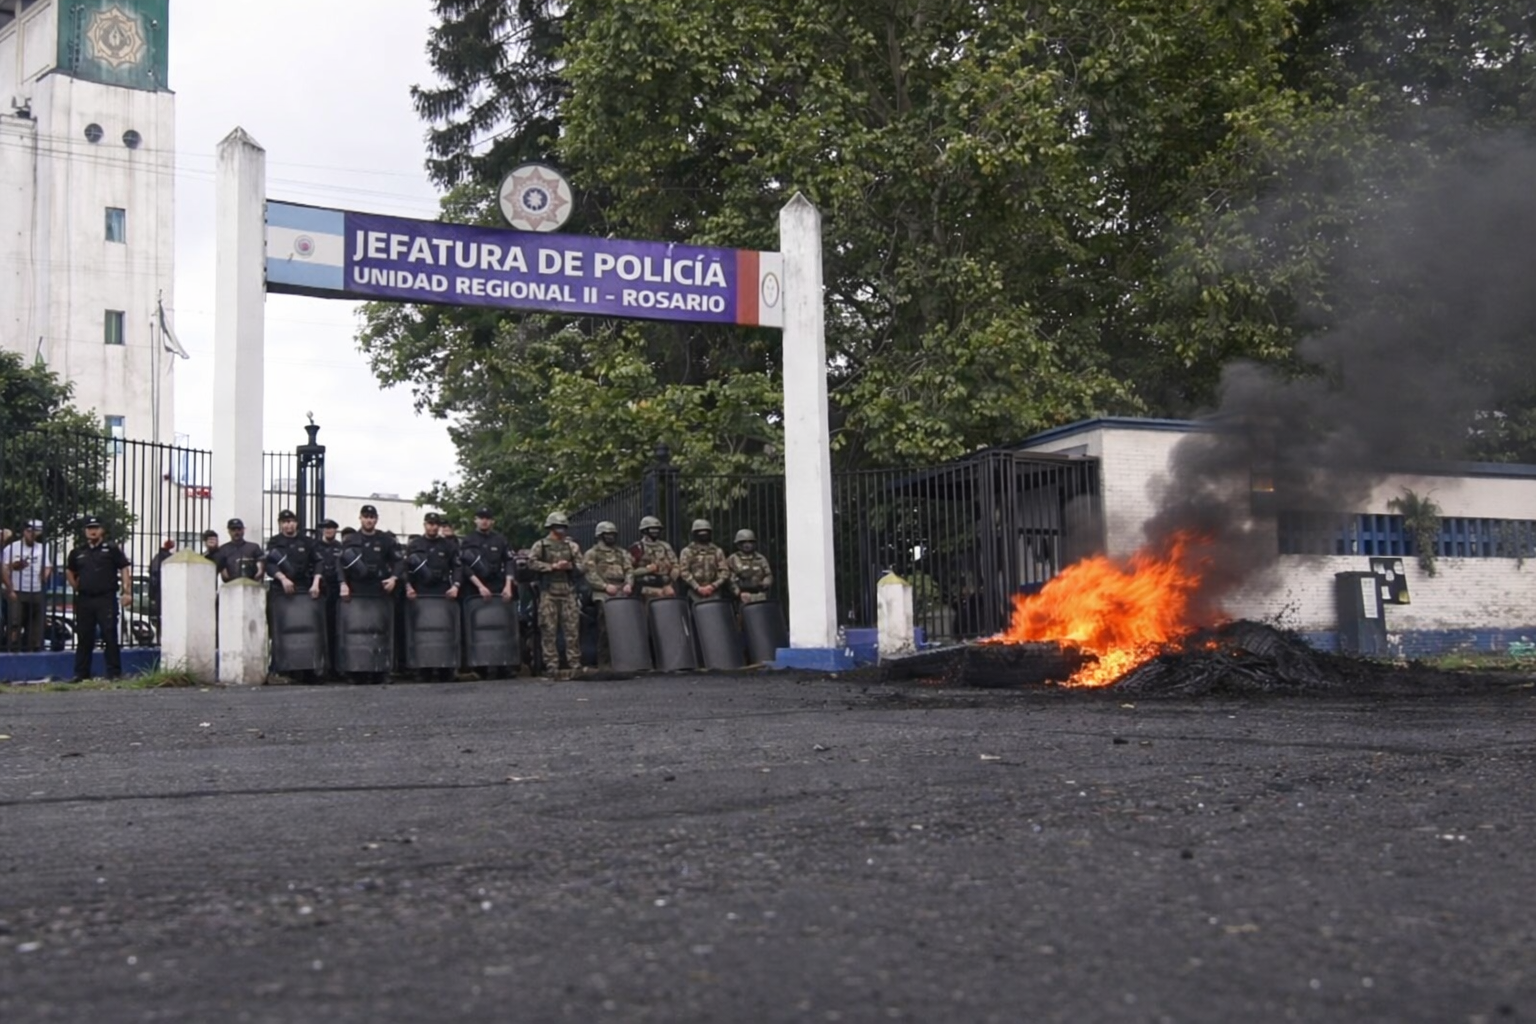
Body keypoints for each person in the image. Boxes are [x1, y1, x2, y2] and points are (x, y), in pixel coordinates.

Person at [64, 516, 131, 681]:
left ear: (102, 530)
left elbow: (124, 568)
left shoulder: (112, 549)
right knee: (84, 636)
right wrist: (75, 586)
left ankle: (114, 673)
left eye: (95, 527)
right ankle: (81, 673)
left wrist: (127, 591)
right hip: (85, 599)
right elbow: (70, 570)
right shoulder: (78, 552)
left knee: (109, 635)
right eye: (89, 528)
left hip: (106, 597)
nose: (92, 531)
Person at [401, 512, 462, 681]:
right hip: (420, 592)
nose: (433, 527)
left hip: (443, 592)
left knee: (443, 630)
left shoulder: (448, 545)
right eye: (430, 523)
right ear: (424, 524)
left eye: (436, 524)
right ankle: (423, 668)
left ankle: (445, 668)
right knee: (423, 631)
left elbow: (457, 567)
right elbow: (405, 569)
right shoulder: (415, 544)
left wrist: (456, 585)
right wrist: (408, 586)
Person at [528, 511, 582, 679]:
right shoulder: (541, 545)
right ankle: (551, 664)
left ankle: (575, 664)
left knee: (572, 629)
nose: (561, 530)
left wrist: (569, 566)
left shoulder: (571, 546)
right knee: (548, 629)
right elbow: (531, 563)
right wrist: (552, 567)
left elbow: (583, 565)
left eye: (563, 527)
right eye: (558, 527)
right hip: (548, 592)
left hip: (568, 591)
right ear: (551, 527)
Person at [581, 520, 633, 668]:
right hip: (602, 593)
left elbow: (629, 569)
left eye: (612, 534)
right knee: (606, 627)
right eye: (607, 534)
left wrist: (629, 583)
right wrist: (604, 586)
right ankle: (604, 663)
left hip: (622, 591)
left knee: (625, 627)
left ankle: (626, 660)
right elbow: (590, 574)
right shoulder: (592, 553)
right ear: (600, 535)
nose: (610, 537)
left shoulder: (622, 552)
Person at [2, 520, 54, 652]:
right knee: (15, 623)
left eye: (36, 531)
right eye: (30, 531)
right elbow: (3, 569)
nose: (33, 534)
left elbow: (48, 566)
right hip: (17, 590)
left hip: (36, 590)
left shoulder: (42, 548)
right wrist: (10, 588)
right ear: (24, 531)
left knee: (36, 625)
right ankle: (12, 649)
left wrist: (44, 576)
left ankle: (33, 649)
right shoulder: (12, 548)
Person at [338, 505, 402, 600]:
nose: (369, 520)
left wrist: (393, 578)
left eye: (372, 517)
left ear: (376, 519)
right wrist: (343, 583)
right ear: (360, 518)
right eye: (366, 517)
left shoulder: (386, 539)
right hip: (356, 589)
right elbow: (339, 563)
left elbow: (399, 561)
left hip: (380, 589)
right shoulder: (350, 540)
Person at [458, 508, 513, 604]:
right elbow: (464, 566)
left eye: (487, 518)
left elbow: (509, 561)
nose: (484, 521)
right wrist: (480, 586)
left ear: (492, 521)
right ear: (475, 520)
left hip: (497, 585)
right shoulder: (468, 540)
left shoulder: (500, 539)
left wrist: (508, 586)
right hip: (474, 587)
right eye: (481, 518)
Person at [265, 510, 322, 599]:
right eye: (284, 522)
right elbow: (270, 564)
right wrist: (283, 578)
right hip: (281, 587)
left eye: (291, 521)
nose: (288, 525)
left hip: (304, 586)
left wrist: (316, 583)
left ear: (296, 523)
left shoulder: (307, 541)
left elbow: (318, 562)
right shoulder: (274, 542)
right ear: (280, 524)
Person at [678, 519, 730, 603]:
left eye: (705, 531)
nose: (703, 534)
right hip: (694, 592)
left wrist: (713, 586)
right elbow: (684, 572)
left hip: (714, 592)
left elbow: (725, 571)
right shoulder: (687, 551)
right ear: (694, 533)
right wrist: (697, 587)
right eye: (700, 532)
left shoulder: (717, 551)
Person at [628, 515, 679, 600]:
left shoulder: (665, 546)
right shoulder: (637, 548)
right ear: (644, 530)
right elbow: (628, 571)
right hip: (645, 587)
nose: (655, 532)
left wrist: (671, 582)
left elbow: (675, 565)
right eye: (652, 529)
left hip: (665, 585)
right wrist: (647, 570)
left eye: (657, 529)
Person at [728, 529, 774, 607]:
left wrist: (766, 583)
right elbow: (729, 579)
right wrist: (738, 593)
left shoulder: (760, 558)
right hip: (741, 596)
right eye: (744, 542)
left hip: (759, 595)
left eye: (750, 542)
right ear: (739, 544)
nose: (747, 545)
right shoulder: (733, 559)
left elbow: (768, 574)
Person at [214, 518, 264, 583]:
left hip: (251, 585)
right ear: (229, 531)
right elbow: (223, 572)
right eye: (233, 529)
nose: (236, 532)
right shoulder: (223, 549)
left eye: (239, 529)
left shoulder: (254, 547)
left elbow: (260, 569)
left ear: (243, 530)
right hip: (231, 586)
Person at [147, 539, 176, 619]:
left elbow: (152, 572)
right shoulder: (169, 557)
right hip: (164, 588)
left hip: (158, 589)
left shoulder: (158, 556)